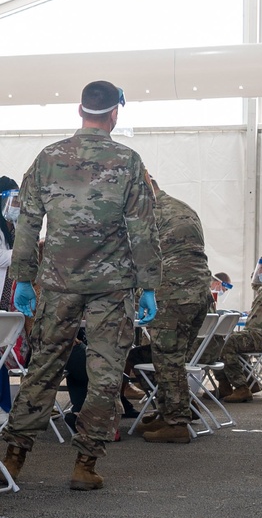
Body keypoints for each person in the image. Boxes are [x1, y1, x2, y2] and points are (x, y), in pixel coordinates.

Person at [2, 80, 161, 491]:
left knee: (44, 366)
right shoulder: (128, 160)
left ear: (80, 110)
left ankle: (13, 456)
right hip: (111, 286)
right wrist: (148, 284)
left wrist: (22, 278)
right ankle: (85, 465)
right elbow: (142, 228)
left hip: (57, 283)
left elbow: (28, 223)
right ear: (114, 113)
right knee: (105, 372)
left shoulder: (48, 158)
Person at [132, 179, 215, 444]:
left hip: (173, 292)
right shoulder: (184, 208)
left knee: (167, 359)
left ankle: (177, 423)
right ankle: (168, 413)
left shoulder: (148, 212)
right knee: (173, 357)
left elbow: (139, 257)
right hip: (199, 292)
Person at [208, 255, 262, 403]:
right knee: (221, 340)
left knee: (225, 342)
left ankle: (241, 387)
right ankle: (239, 384)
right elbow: (256, 284)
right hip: (260, 335)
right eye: (259, 269)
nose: (260, 272)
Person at [0, 176, 19, 310]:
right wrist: (26, 250)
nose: (17, 204)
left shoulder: (16, 225)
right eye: (13, 200)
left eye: (18, 200)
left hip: (12, 290)